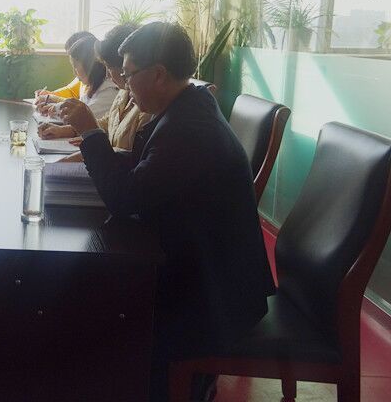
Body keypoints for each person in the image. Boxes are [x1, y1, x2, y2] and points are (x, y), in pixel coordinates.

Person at [58, 22, 275, 402]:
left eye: (128, 74)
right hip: (206, 270)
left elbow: (125, 199)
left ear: (158, 74)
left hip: (214, 297)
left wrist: (91, 133)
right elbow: (145, 174)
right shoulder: (187, 107)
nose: (125, 85)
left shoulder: (188, 129)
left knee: (86, 289)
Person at [40, 24, 151, 160]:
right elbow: (108, 122)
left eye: (110, 67)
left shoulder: (147, 106)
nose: (108, 75)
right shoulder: (123, 92)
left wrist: (92, 142)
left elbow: (131, 157)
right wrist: (67, 130)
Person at [33, 30, 93, 114]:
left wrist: (54, 99)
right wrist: (49, 95)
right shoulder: (83, 76)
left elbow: (85, 110)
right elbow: (70, 91)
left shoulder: (99, 82)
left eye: (75, 60)